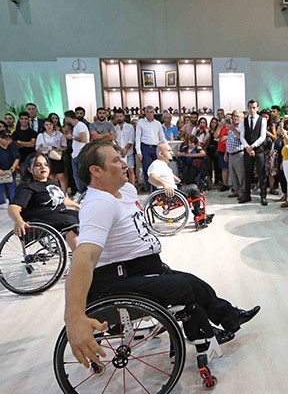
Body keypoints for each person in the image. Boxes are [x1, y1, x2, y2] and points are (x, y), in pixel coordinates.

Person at [63, 140, 259, 367]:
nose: (125, 163)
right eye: (116, 160)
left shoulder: (124, 190)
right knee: (184, 286)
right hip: (118, 278)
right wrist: (74, 317)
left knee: (194, 284)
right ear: (96, 171)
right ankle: (207, 329)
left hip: (142, 266)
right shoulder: (98, 204)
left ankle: (229, 318)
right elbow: (84, 257)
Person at [8, 152, 81, 251]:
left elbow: (61, 199)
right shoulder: (27, 187)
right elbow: (14, 207)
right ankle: (80, 255)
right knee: (69, 222)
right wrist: (18, 221)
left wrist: (78, 206)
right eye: (38, 165)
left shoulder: (52, 183)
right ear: (29, 169)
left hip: (59, 214)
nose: (43, 167)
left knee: (84, 216)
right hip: (41, 218)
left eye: (46, 164)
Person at [150, 142, 213, 226]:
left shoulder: (162, 164)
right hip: (170, 194)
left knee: (195, 188)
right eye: (169, 150)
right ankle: (198, 215)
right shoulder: (157, 164)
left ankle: (200, 213)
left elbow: (167, 175)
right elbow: (151, 177)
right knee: (194, 188)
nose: (172, 153)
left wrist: (177, 180)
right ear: (161, 154)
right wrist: (165, 184)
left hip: (172, 191)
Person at [239, 99, 268, 206]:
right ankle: (247, 195)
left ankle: (263, 196)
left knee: (261, 173)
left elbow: (263, 136)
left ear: (257, 108)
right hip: (247, 149)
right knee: (247, 173)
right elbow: (242, 136)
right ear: (248, 108)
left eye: (254, 107)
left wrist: (253, 146)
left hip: (259, 150)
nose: (252, 110)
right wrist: (247, 147)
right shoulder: (244, 120)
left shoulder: (262, 120)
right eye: (250, 107)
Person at [135, 105, 167, 192]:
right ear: (145, 113)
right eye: (148, 112)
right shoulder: (140, 123)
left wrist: (167, 147)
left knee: (158, 167)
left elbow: (162, 136)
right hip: (145, 147)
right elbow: (137, 137)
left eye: (151, 112)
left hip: (155, 147)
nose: (149, 114)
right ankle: (150, 190)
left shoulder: (158, 123)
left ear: (154, 113)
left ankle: (158, 188)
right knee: (146, 169)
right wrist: (138, 151)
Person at [35, 118, 68, 193]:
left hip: (57, 156)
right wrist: (43, 148)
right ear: (44, 126)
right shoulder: (41, 135)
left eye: (50, 124)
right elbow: (37, 148)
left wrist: (58, 149)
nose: (49, 126)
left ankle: (64, 193)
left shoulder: (59, 134)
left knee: (61, 176)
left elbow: (65, 147)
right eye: (46, 125)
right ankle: (54, 193)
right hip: (46, 157)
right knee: (51, 176)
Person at [63, 110, 90, 194]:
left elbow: (84, 139)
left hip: (80, 154)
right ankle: (81, 192)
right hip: (76, 154)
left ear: (68, 118)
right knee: (76, 175)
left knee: (79, 175)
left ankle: (83, 192)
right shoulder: (75, 127)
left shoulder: (80, 126)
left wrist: (72, 137)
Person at [112, 108, 136, 186]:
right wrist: (121, 150)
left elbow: (131, 139)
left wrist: (125, 149)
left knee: (131, 170)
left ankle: (132, 188)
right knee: (120, 171)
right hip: (119, 153)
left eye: (120, 116)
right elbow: (113, 141)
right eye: (117, 117)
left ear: (124, 117)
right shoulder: (114, 128)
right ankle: (122, 188)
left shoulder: (130, 127)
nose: (119, 118)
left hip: (129, 152)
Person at [226, 110, 245, 198]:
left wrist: (233, 129)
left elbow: (242, 138)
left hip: (239, 153)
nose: (235, 118)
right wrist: (226, 152)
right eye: (234, 116)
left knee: (241, 175)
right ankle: (236, 190)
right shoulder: (232, 127)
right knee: (233, 174)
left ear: (242, 118)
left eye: (237, 116)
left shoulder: (243, 127)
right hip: (231, 153)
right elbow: (229, 140)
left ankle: (243, 192)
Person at [215, 117, 230, 191]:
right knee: (224, 168)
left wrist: (227, 137)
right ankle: (225, 184)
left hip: (229, 149)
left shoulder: (230, 127)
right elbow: (215, 136)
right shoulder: (221, 128)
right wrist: (219, 127)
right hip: (221, 149)